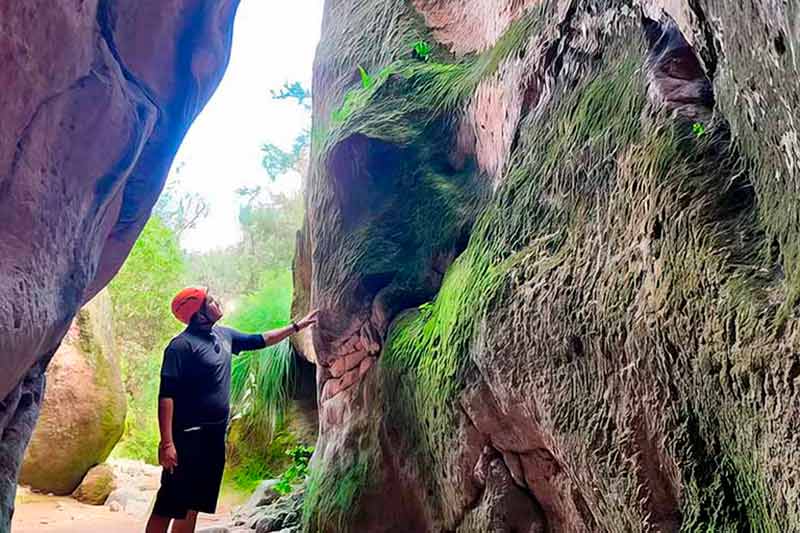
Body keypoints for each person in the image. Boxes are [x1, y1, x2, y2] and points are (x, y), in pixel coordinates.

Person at [145, 287, 318, 533]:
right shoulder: (180, 347)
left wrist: (296, 327)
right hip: (187, 438)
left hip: (213, 439)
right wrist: (167, 443)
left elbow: (261, 339)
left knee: (194, 505)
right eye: (211, 301)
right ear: (197, 313)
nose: (218, 303)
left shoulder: (224, 335)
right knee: (169, 505)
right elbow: (166, 397)